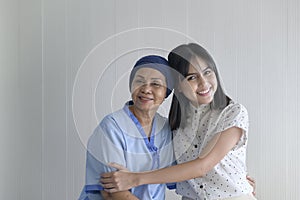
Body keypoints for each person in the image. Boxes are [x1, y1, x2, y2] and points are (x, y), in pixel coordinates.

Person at [101, 43, 257, 200]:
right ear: (178, 86)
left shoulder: (233, 113)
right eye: (192, 77)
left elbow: (203, 166)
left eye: (207, 72)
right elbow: (167, 169)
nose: (204, 83)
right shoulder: (173, 126)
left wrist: (134, 179)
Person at [78, 55, 176, 200]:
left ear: (166, 92)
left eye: (156, 84)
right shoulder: (111, 127)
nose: (146, 89)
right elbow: (114, 192)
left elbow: (174, 175)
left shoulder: (166, 129)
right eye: (139, 81)